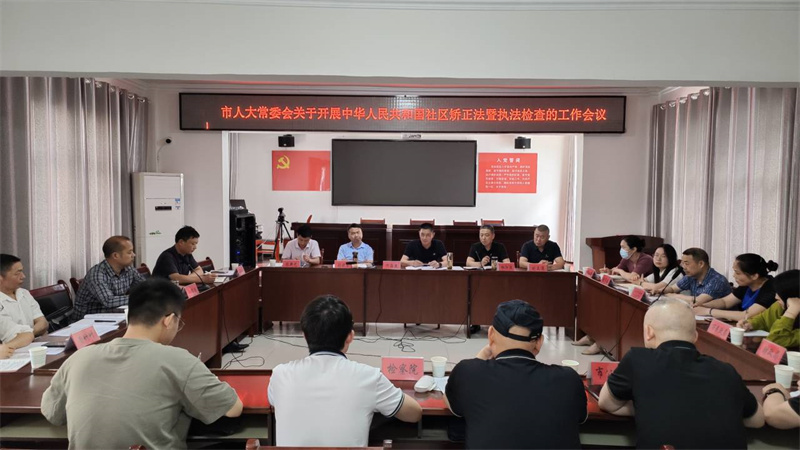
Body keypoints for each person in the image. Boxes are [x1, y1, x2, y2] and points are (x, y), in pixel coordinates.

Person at [41, 278, 243, 449]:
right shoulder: (178, 360)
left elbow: (52, 414)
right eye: (179, 323)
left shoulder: (78, 358)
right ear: (169, 320)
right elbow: (232, 408)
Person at [598, 297, 764, 448]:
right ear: (695, 336)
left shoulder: (637, 359)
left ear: (649, 332)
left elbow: (607, 403)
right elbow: (757, 420)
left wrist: (649, 406)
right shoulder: (727, 371)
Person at [268, 295, 422, 446]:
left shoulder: (280, 375)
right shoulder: (369, 377)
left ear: (305, 336)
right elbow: (414, 413)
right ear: (350, 336)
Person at [445, 300, 586, 449]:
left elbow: (450, 402)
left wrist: (485, 353)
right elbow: (580, 417)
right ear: (539, 342)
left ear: (491, 334)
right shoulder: (569, 380)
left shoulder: (468, 373)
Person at [70, 236, 146, 321]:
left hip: (112, 316)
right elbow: (108, 301)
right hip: (87, 322)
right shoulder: (97, 274)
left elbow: (146, 287)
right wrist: (139, 297)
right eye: (129, 252)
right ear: (115, 255)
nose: (134, 255)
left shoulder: (129, 269)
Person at [693, 254, 779, 322]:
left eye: (737, 273)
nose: (734, 276)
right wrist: (702, 306)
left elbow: (746, 315)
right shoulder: (747, 285)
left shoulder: (772, 288)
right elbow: (725, 302)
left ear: (754, 276)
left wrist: (708, 311)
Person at [736, 269, 799, 348]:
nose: (776, 297)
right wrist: (751, 324)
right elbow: (763, 319)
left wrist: (791, 313)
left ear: (793, 295)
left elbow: (775, 341)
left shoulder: (789, 307)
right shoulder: (779, 306)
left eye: (780, 293)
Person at [646, 247, 731, 305]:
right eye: (682, 263)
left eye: (686, 263)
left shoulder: (717, 280)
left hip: (722, 321)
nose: (683, 267)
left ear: (701, 264)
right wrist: (660, 291)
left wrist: (672, 295)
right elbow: (673, 288)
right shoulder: (690, 276)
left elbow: (698, 300)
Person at [0, 254, 48, 336]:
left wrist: (28, 335)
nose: (23, 276)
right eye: (17, 273)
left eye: (22, 271)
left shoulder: (24, 293)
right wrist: (33, 333)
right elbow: (12, 335)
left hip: (33, 341)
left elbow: (43, 322)